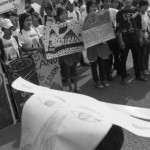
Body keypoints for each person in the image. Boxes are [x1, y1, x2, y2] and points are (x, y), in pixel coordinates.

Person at [116, 0, 147, 85]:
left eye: (129, 0)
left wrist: (140, 37)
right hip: (124, 38)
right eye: (125, 0)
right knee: (123, 58)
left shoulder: (136, 11)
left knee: (137, 57)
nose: (127, 1)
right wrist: (120, 40)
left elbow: (139, 26)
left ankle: (138, 74)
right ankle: (123, 77)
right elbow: (118, 29)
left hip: (135, 37)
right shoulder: (119, 13)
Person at [86, 0, 112, 88]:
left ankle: (103, 79)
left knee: (102, 63)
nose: (93, 8)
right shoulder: (85, 18)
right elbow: (85, 33)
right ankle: (97, 80)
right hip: (92, 46)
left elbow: (105, 29)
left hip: (101, 44)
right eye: (91, 7)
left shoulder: (100, 16)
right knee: (94, 64)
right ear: (88, 8)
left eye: (95, 7)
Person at [57, 7, 81, 92]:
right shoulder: (55, 26)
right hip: (63, 53)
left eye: (64, 13)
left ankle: (76, 86)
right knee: (66, 71)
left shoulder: (71, 23)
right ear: (58, 16)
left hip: (72, 51)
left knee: (74, 70)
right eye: (61, 14)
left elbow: (76, 36)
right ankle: (70, 87)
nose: (63, 16)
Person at [139, 0, 150, 75]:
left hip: (148, 34)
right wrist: (143, 37)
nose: (146, 7)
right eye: (144, 5)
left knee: (147, 53)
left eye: (147, 5)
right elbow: (136, 28)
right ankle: (143, 69)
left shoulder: (148, 14)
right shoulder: (137, 15)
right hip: (141, 35)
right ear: (140, 6)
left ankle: (146, 67)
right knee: (143, 53)